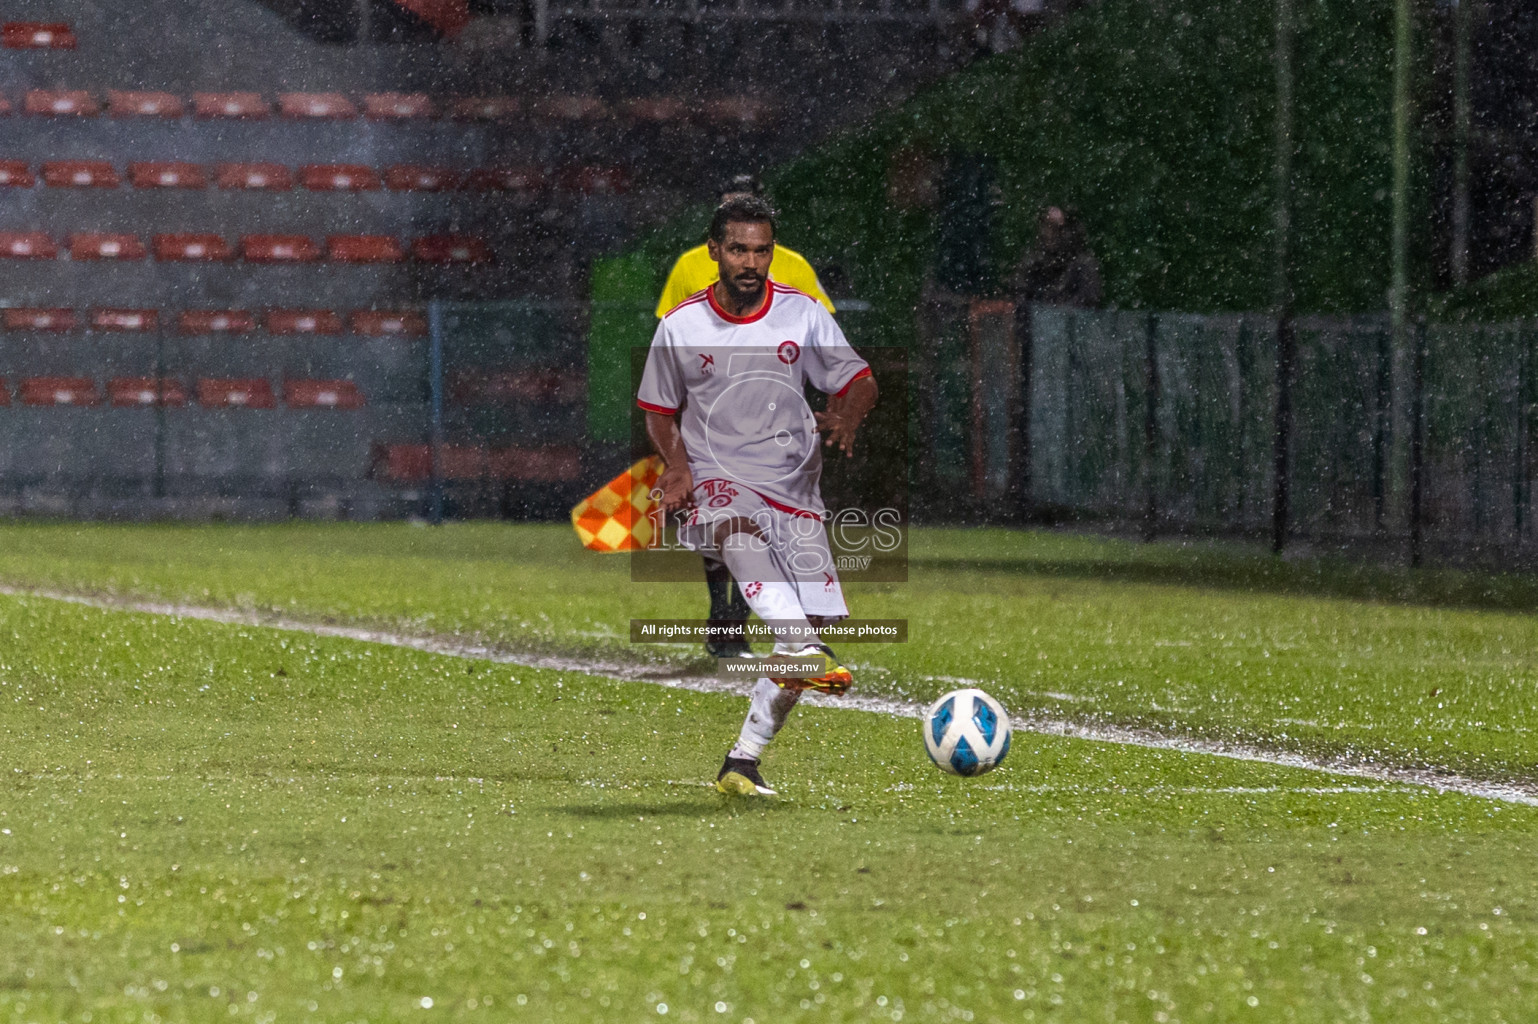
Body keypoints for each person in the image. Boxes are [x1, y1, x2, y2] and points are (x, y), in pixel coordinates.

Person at [638, 195, 878, 796]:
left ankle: (742, 761)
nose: (751, 261)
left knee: (806, 641)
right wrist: (675, 466)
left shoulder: (803, 315)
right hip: (719, 488)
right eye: (739, 249)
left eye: (762, 250)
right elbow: (658, 411)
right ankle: (791, 640)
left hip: (794, 496)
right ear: (714, 251)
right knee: (738, 537)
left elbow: (861, 379)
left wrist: (848, 414)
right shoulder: (681, 326)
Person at [655, 174, 835, 660]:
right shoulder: (690, 266)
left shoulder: (793, 266)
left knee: (788, 527)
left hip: (779, 423)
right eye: (729, 203)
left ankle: (797, 631)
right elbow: (671, 337)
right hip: (714, 416)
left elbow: (821, 326)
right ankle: (725, 614)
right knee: (725, 523)